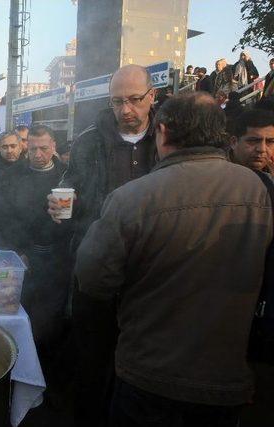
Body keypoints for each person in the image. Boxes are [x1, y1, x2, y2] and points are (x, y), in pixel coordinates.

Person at [75, 92, 272, 427]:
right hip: (226, 380)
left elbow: (93, 280)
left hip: (148, 377)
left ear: (162, 131)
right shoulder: (259, 190)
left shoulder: (131, 198)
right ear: (222, 135)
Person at [48, 64, 157, 427]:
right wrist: (59, 205)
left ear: (151, 97)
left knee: (145, 361)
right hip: (96, 265)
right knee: (93, 360)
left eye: (134, 100)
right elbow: (69, 186)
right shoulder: (89, 140)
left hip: (153, 271)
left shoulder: (168, 135)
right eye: (116, 102)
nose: (125, 110)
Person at [0, 125, 68, 390]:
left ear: (54, 146)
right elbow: (1, 218)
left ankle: (48, 380)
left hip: (58, 258)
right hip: (22, 257)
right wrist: (19, 250)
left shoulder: (66, 176)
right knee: (22, 317)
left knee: (53, 322)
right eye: (33, 148)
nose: (38, 154)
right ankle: (18, 375)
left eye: (44, 148)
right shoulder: (12, 176)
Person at [229, 108, 274, 172]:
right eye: (253, 141)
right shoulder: (217, 176)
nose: (262, 149)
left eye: (270, 142)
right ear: (234, 142)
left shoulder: (270, 172)